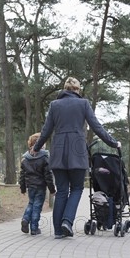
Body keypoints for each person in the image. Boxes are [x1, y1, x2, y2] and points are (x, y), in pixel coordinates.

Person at [31, 77, 120, 239]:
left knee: (62, 190)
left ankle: (58, 231)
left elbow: (46, 130)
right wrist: (114, 143)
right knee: (77, 188)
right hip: (77, 152)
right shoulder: (83, 104)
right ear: (77, 90)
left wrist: (36, 148)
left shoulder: (54, 105)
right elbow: (97, 127)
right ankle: (67, 221)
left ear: (65, 89)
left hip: (58, 152)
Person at [19, 133, 56, 235]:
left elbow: (22, 176)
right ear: (40, 144)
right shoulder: (44, 158)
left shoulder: (25, 159)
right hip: (40, 186)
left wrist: (22, 188)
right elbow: (48, 175)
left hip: (30, 186)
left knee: (31, 203)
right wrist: (52, 190)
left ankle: (25, 219)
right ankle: (34, 228)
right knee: (37, 206)